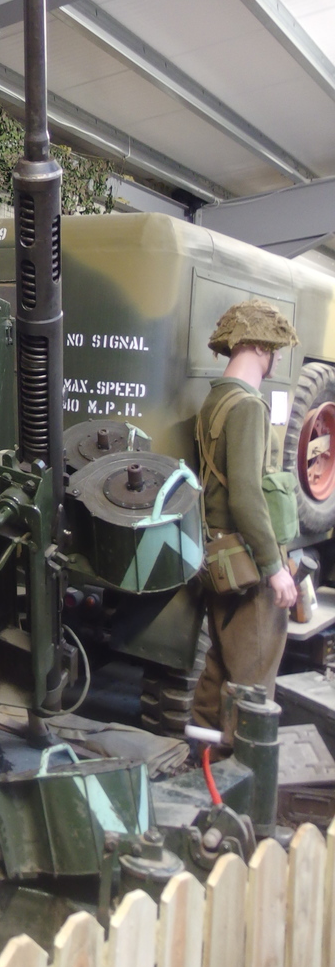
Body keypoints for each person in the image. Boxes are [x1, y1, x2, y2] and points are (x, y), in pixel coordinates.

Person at [192, 299, 299, 731]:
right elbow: (248, 497)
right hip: (248, 563)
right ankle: (241, 779)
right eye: (272, 349)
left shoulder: (215, 400)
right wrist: (275, 568)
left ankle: (203, 759)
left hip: (219, 558)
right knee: (252, 683)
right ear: (259, 347)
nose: (273, 358)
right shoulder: (249, 406)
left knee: (219, 666)